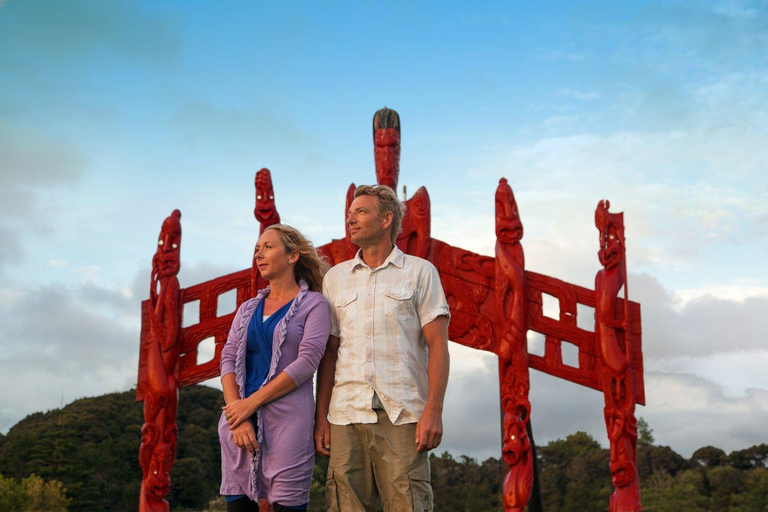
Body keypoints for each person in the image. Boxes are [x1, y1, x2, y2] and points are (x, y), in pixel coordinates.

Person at [314, 185, 451, 512]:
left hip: (403, 413)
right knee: (344, 506)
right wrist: (321, 418)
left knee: (409, 505)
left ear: (387, 218)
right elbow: (329, 354)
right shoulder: (334, 278)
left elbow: (438, 346)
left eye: (360, 212)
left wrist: (434, 410)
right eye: (349, 214)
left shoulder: (420, 272)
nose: (351, 220)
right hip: (345, 413)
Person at [218, 224, 331, 512]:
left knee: (288, 504)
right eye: (257, 248)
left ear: (293, 256)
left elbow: (307, 362)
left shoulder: (314, 305)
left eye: (268, 247)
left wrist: (250, 404)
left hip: (289, 424)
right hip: (238, 427)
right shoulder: (247, 309)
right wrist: (237, 415)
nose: (259, 254)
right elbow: (228, 358)